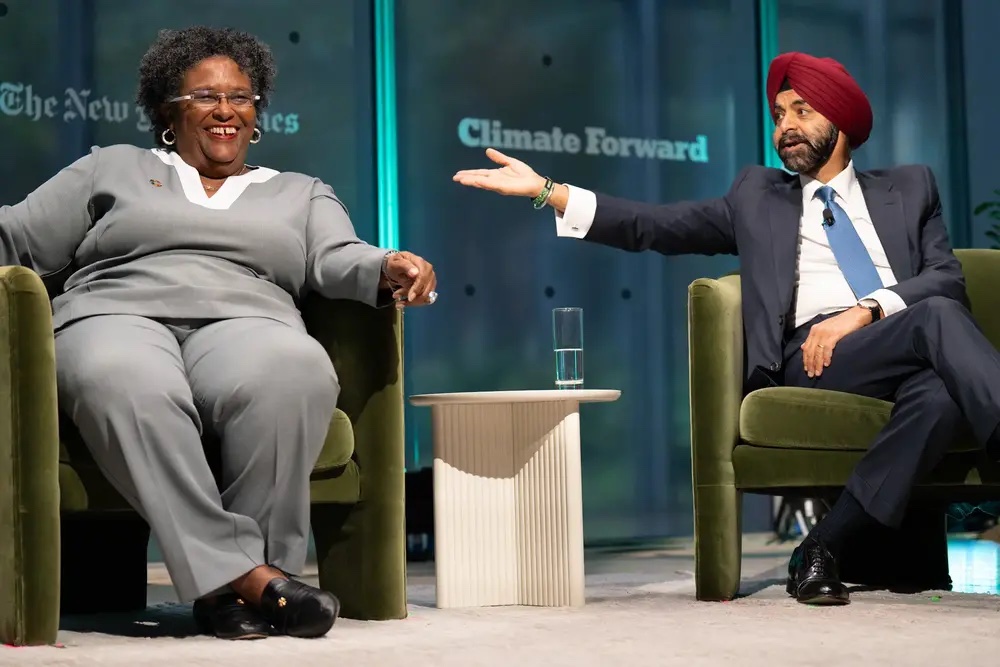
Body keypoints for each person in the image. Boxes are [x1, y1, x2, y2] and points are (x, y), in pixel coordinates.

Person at [454, 51, 1000, 606]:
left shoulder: (910, 187)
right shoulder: (758, 197)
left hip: (901, 342)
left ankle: (821, 549)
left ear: (839, 120)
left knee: (940, 394)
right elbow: (655, 225)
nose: (785, 126)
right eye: (778, 115)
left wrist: (863, 312)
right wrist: (547, 190)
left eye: (802, 111)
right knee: (934, 318)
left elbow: (946, 279)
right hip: (816, 359)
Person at [0, 26, 437, 640]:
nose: (226, 109)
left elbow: (339, 255)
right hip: (115, 313)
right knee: (120, 376)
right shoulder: (112, 167)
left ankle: (231, 589)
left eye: (241, 97)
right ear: (167, 112)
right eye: (205, 97)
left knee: (294, 371)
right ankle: (257, 583)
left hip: (250, 319)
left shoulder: (300, 192)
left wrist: (387, 266)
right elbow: (16, 237)